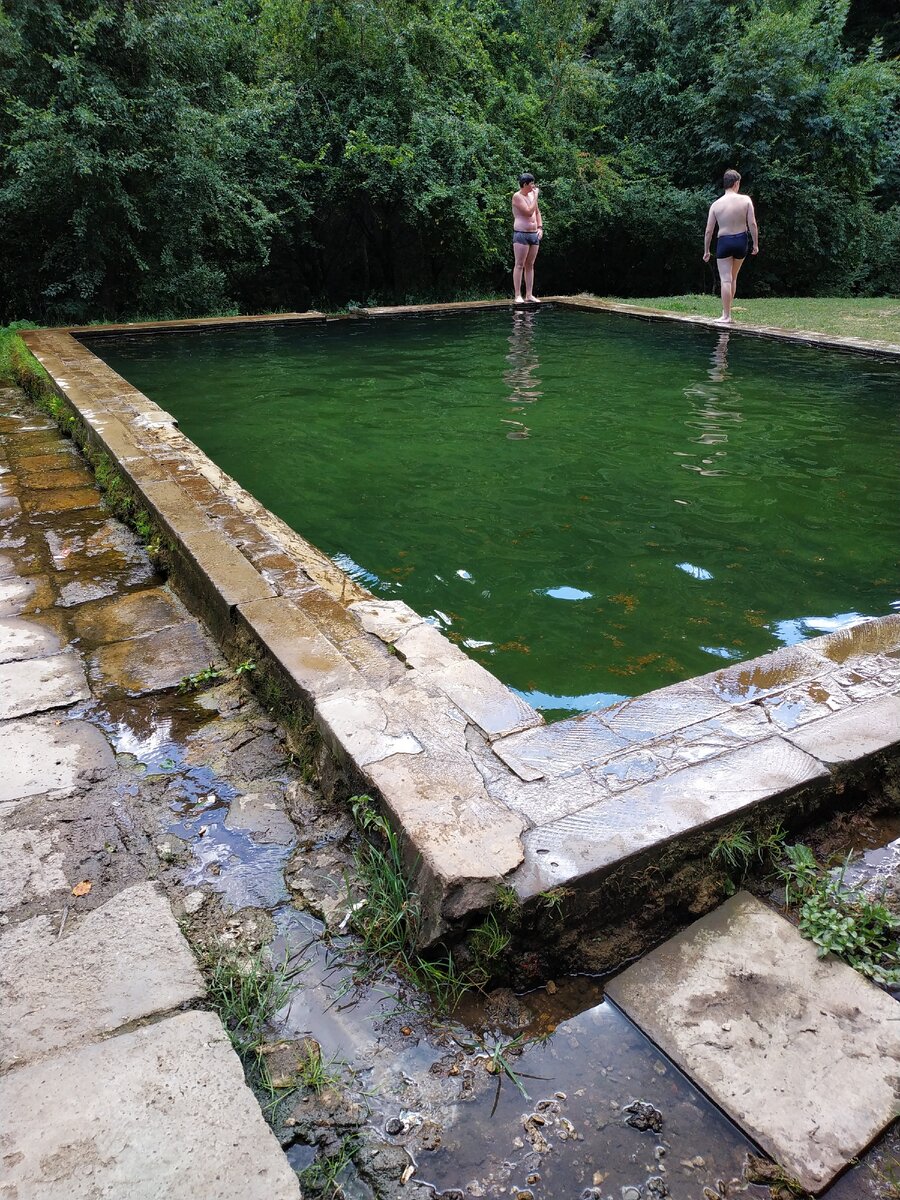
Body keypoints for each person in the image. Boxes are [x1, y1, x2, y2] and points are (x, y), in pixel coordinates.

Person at [702, 169, 759, 324]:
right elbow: (752, 223)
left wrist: (706, 250)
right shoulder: (746, 200)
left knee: (725, 279)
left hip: (724, 241)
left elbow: (709, 230)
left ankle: (726, 315)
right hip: (741, 240)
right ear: (736, 183)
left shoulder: (716, 204)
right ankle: (727, 311)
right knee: (733, 278)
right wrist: (755, 244)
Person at [512, 173, 543, 304]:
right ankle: (518, 295)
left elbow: (536, 212)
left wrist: (540, 227)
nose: (533, 186)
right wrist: (536, 196)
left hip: (533, 234)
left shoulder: (531, 195)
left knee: (530, 265)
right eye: (531, 184)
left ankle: (529, 294)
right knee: (519, 264)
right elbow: (528, 211)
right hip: (521, 233)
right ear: (525, 184)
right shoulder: (517, 197)